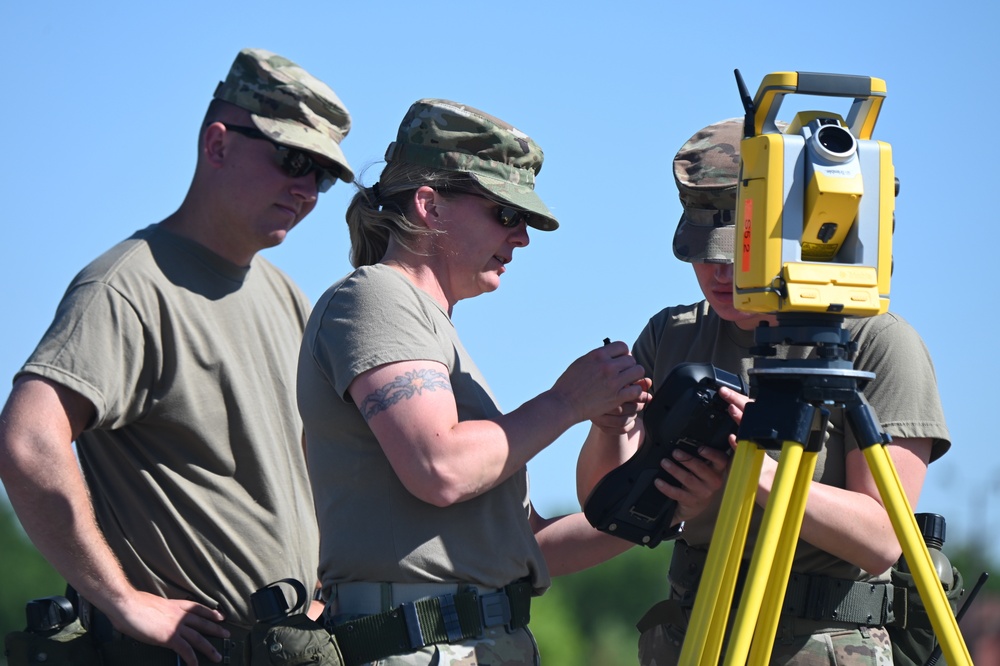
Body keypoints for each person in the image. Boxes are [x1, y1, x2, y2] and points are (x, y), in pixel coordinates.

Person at [0, 48, 354, 666]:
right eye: (292, 158)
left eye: (321, 174)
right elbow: (29, 440)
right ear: (217, 143)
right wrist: (121, 599)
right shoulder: (127, 287)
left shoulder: (288, 296)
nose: (306, 189)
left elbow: (308, 465)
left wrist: (324, 583)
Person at [576, 118, 951, 664]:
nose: (716, 272)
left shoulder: (876, 343)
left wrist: (752, 475)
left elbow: (881, 541)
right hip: (695, 631)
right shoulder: (674, 334)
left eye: (735, 254)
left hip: (821, 641)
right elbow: (607, 504)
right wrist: (608, 423)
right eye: (702, 252)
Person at [297, 98, 648, 665]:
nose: (522, 238)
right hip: (414, 645)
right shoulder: (377, 296)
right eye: (506, 215)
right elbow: (441, 468)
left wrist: (663, 506)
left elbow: (525, 545)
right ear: (430, 206)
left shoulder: (429, 326)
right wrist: (567, 402)